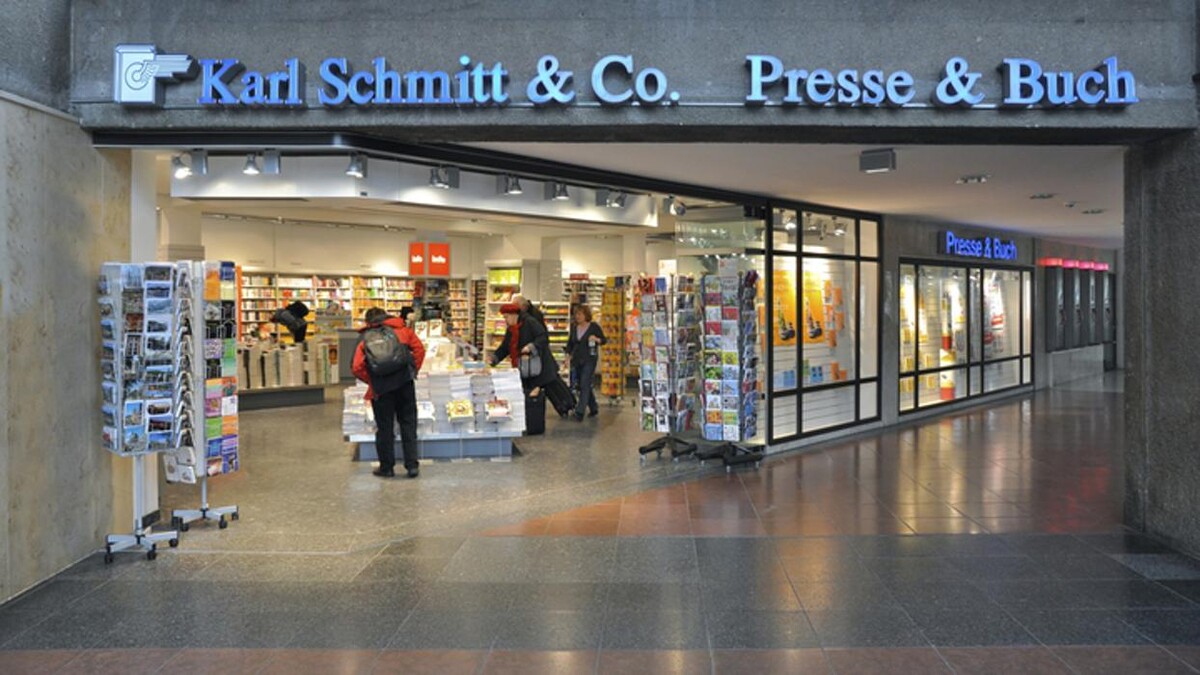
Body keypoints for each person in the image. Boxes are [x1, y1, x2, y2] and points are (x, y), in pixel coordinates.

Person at [352, 307, 426, 478]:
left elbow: (356, 367)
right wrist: (411, 371)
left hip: (381, 388)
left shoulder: (365, 337)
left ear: (368, 321)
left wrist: (371, 380)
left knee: (385, 428)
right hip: (405, 384)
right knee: (408, 423)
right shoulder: (403, 330)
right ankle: (412, 465)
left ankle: (387, 467)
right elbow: (419, 350)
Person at [490, 303, 557, 435]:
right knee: (525, 395)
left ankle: (533, 424)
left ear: (514, 315)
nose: (505, 321)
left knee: (533, 396)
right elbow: (505, 347)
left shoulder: (530, 322)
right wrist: (494, 359)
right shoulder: (511, 329)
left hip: (537, 367)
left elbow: (543, 337)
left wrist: (531, 347)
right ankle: (526, 423)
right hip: (523, 368)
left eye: (506, 317)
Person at [564, 305, 606, 421]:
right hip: (577, 359)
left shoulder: (594, 327)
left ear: (586, 315)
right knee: (584, 384)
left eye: (580, 314)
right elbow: (570, 344)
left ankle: (580, 411)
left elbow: (604, 340)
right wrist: (568, 356)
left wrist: (597, 340)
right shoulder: (574, 327)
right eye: (576, 314)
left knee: (584, 382)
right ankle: (593, 407)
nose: (577, 316)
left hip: (589, 359)